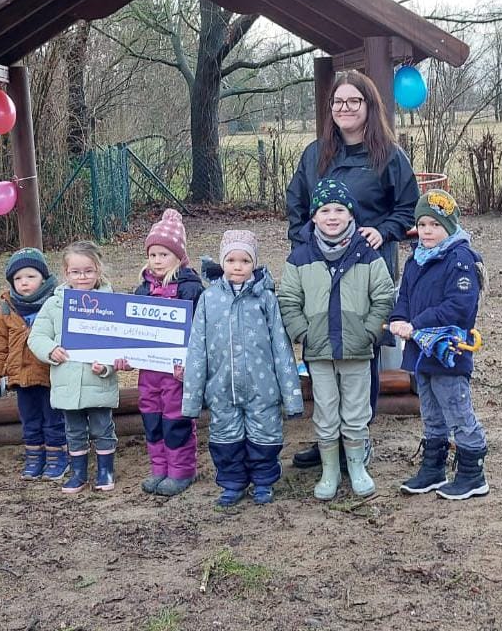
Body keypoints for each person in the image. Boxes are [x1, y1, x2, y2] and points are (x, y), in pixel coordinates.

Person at [286, 69, 419, 470]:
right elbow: (296, 208)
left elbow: (407, 207)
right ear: (330, 109)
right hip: (319, 273)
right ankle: (328, 440)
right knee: (323, 351)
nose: (345, 108)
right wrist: (306, 248)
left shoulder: (389, 156)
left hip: (367, 269)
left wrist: (384, 231)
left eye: (353, 101)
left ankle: (356, 443)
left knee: (363, 352)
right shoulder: (315, 155)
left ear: (369, 106)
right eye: (338, 102)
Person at [279, 179, 395, 499]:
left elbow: (383, 296)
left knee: (356, 410)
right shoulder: (300, 258)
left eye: (340, 209)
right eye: (325, 209)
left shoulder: (367, 255)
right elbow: (288, 300)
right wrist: (303, 332)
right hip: (318, 351)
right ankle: (329, 469)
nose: (332, 216)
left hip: (357, 349)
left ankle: (357, 465)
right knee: (326, 410)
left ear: (351, 215)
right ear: (314, 217)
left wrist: (370, 331)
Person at [182, 230, 304, 506]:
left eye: (245, 261)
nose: (238, 266)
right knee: (225, 438)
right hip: (221, 387)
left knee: (265, 436)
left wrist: (292, 396)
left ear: (255, 264)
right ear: (222, 262)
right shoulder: (209, 299)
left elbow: (281, 348)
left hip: (263, 387)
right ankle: (233, 483)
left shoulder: (265, 299)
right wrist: (192, 398)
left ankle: (263, 482)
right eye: (232, 260)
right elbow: (197, 349)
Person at [388, 189, 489, 500]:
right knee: (430, 410)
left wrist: (415, 323)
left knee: (457, 409)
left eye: (435, 224)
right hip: (420, 351)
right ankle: (433, 468)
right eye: (422, 224)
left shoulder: (461, 260)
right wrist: (398, 317)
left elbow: (458, 307)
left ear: (450, 225)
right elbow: (403, 297)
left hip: (449, 350)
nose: (427, 231)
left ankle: (473, 473)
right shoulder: (416, 258)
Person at [114, 209, 204, 497]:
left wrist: (191, 364)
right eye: (153, 254)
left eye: (164, 255)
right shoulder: (141, 291)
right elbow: (131, 332)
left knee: (175, 420)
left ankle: (181, 472)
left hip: (177, 373)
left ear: (178, 257)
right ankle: (159, 469)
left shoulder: (190, 289)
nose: (157, 260)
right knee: (152, 419)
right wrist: (126, 356)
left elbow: (200, 332)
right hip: (148, 373)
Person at [28, 240, 119, 494]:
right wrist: (50, 350)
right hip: (66, 383)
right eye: (76, 272)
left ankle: (105, 470)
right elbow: (37, 337)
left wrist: (108, 367)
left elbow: (119, 343)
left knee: (103, 428)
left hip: (98, 382)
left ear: (98, 271)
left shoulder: (111, 304)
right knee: (74, 430)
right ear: (66, 273)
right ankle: (78, 472)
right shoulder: (54, 304)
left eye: (88, 271)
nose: (82, 277)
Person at [0, 248, 67, 481]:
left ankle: (57, 456)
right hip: (20, 374)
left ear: (43, 277)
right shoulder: (7, 307)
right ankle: (34, 455)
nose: (24, 283)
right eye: (18, 278)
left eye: (30, 277)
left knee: (53, 417)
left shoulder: (54, 302)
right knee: (29, 418)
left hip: (49, 373)